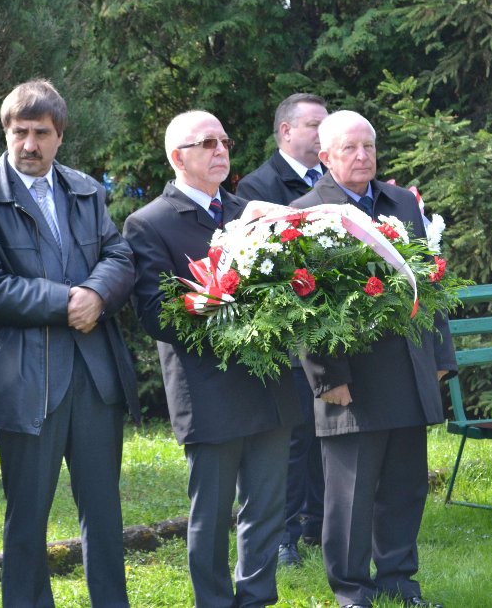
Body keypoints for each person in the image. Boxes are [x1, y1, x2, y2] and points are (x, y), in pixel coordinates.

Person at [0, 79, 140, 608]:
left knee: (104, 512)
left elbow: (119, 256)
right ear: (5, 132)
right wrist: (67, 302)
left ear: (60, 136)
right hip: (26, 378)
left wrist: (98, 294)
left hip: (95, 374)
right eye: (19, 132)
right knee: (27, 517)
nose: (29, 145)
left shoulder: (86, 189)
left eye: (41, 133)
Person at [123, 110, 299, 608]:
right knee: (213, 512)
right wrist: (229, 306)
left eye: (224, 141)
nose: (220, 150)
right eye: (207, 143)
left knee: (267, 508)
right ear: (177, 157)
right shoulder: (149, 223)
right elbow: (156, 315)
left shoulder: (251, 212)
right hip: (208, 388)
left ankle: (257, 598)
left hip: (268, 384)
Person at [290, 110, 456, 608]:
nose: (362, 157)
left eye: (369, 147)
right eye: (350, 148)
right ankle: (351, 591)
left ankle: (399, 582)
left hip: (408, 367)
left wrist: (440, 355)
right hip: (352, 378)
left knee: (406, 487)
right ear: (325, 157)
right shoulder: (306, 212)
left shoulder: (401, 202)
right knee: (351, 495)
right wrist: (326, 378)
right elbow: (302, 304)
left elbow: (430, 281)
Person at [236, 93, 329, 566]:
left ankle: (319, 524)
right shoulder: (259, 185)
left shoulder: (331, 180)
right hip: (287, 333)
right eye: (314, 125)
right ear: (286, 131)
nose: (321, 134)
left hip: (328, 328)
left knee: (324, 434)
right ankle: (282, 536)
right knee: (293, 438)